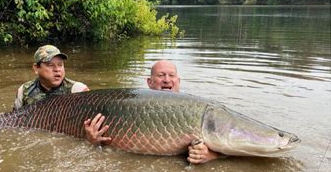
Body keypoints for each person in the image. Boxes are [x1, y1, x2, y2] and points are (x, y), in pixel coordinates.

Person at [84, 60, 223, 164]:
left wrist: (211, 155)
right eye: (161, 75)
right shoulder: (131, 106)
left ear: (178, 81)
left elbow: (226, 145)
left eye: (171, 75)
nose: (167, 80)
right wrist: (90, 141)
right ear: (149, 82)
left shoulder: (196, 108)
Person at [13, 45, 89, 110]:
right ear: (36, 68)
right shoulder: (24, 91)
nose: (57, 69)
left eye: (60, 65)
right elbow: (13, 122)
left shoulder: (78, 90)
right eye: (51, 65)